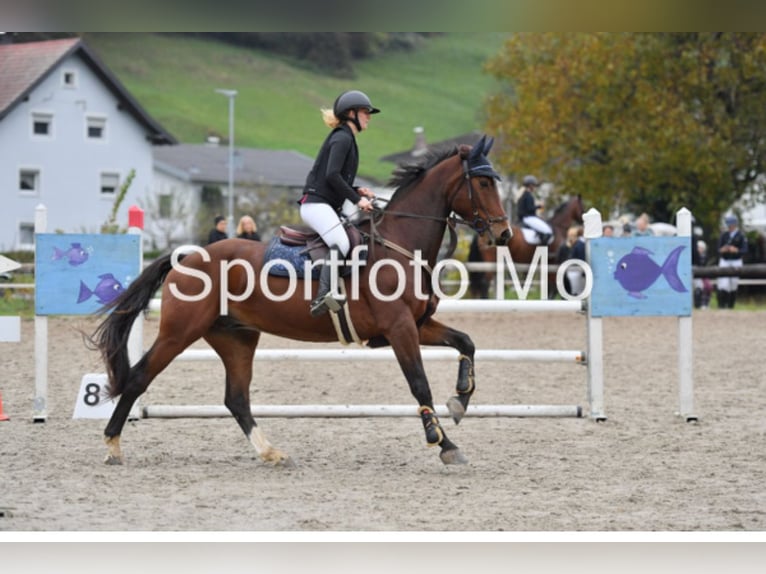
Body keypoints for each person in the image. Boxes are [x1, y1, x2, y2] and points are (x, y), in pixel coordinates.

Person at [298, 89, 379, 316]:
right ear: (351, 113)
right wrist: (357, 200)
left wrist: (356, 190)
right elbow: (332, 176)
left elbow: (335, 178)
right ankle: (323, 295)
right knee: (341, 243)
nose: (369, 116)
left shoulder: (347, 138)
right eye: (365, 112)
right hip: (315, 205)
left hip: (324, 203)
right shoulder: (342, 138)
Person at [716, 214, 748, 309]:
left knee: (733, 283)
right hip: (725, 260)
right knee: (723, 283)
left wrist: (736, 250)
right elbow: (718, 249)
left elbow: (745, 250)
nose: (729, 227)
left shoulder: (741, 236)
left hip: (736, 260)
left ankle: (731, 305)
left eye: (731, 225)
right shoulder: (724, 235)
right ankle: (722, 305)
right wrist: (723, 249)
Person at [517, 175, 552, 245]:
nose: (535, 187)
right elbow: (530, 209)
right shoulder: (528, 195)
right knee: (548, 231)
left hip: (527, 217)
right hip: (528, 218)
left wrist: (537, 216)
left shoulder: (524, 194)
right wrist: (539, 206)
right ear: (530, 185)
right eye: (534, 185)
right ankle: (542, 248)